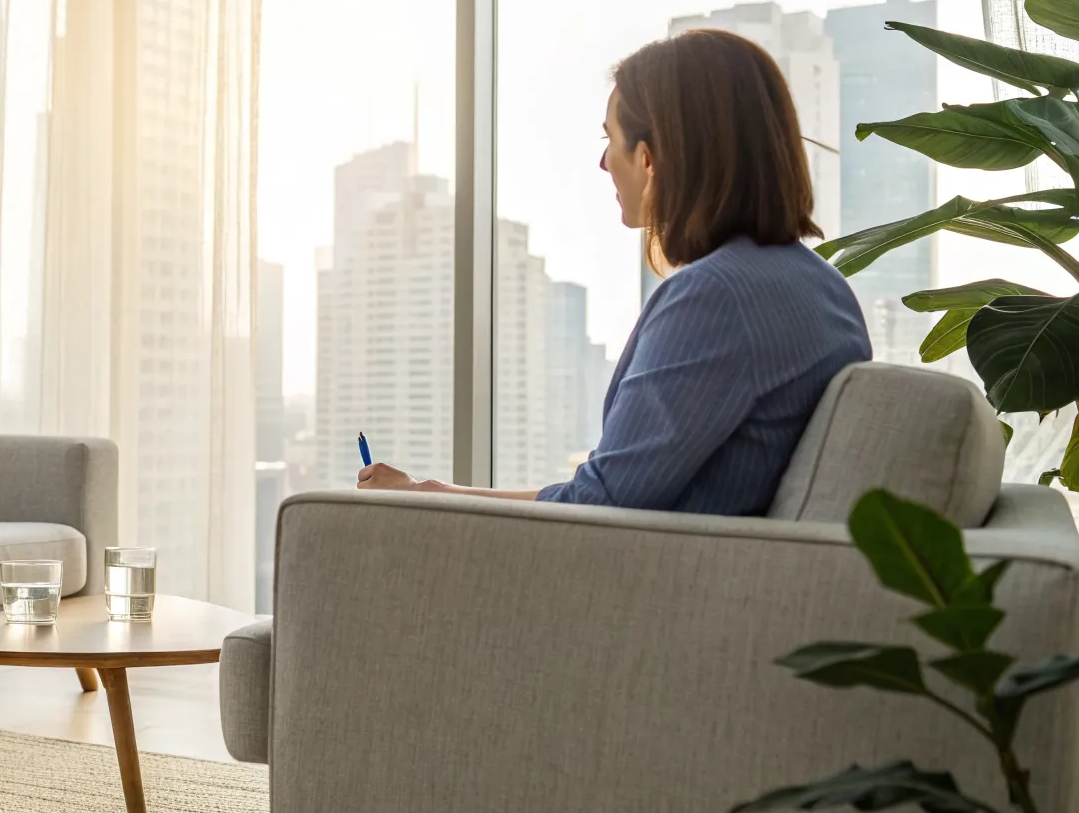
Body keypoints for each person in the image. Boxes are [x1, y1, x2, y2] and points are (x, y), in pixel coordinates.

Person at [359, 29, 870, 516]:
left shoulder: (715, 298)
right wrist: (430, 490)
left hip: (649, 585)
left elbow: (596, 508)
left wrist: (425, 496)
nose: (604, 163)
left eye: (612, 139)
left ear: (649, 159)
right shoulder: (824, 290)